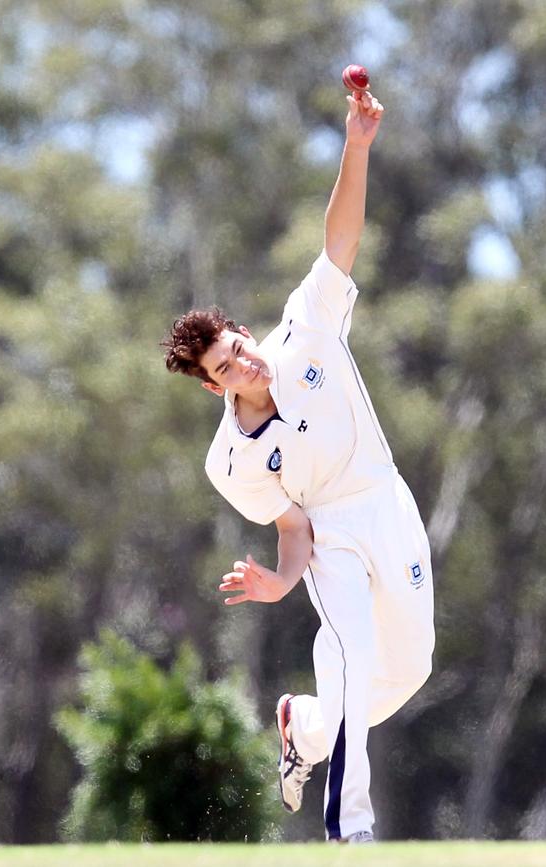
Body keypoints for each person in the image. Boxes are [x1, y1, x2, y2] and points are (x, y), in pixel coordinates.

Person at [162, 87, 435, 843]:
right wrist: (282, 581)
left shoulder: (306, 325)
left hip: (386, 498)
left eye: (240, 343)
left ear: (246, 331)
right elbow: (293, 525)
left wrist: (357, 146)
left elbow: (339, 239)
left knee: (408, 667)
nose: (246, 360)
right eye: (229, 364)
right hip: (333, 533)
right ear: (215, 385)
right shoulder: (229, 462)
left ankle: (306, 727)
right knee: (346, 650)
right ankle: (351, 832)